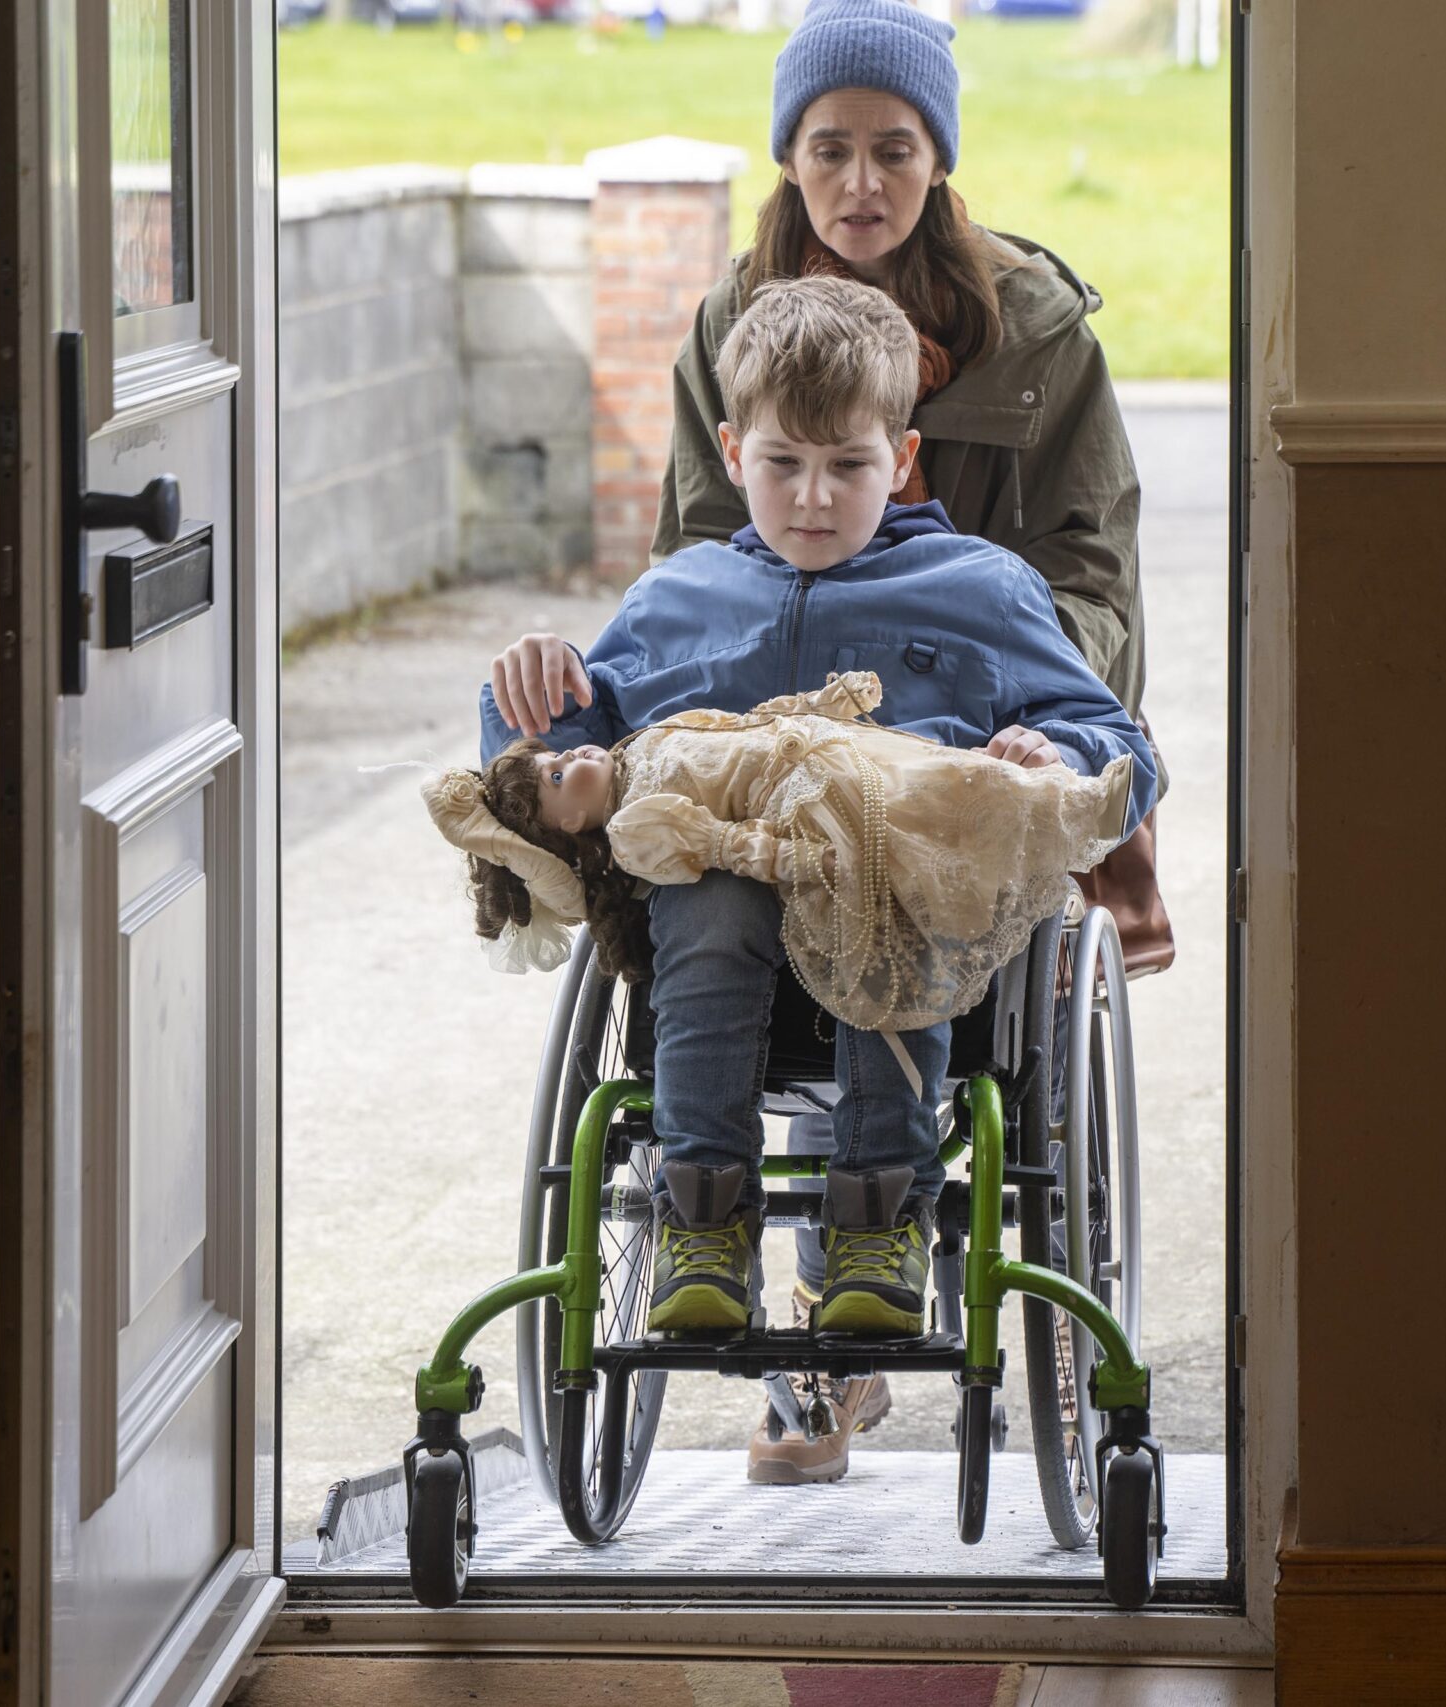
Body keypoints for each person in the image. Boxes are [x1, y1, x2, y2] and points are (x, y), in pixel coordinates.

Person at [649, 0, 1171, 1478]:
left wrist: (1016, 721)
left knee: (917, 904)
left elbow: (1092, 567)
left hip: (979, 708)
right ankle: (792, 1307)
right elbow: (695, 560)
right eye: (829, 149)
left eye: (894, 149)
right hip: (783, 732)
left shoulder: (1035, 330)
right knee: (740, 892)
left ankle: (881, 1303)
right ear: (789, 156)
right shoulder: (730, 325)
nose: (860, 182)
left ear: (939, 157)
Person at [462, 277, 1155, 1369]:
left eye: (849, 466)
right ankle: (702, 1220)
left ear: (903, 457)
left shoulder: (982, 589)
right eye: (782, 463)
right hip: (713, 919)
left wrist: (1054, 753)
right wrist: (530, 691)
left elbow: (1116, 743)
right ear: (732, 453)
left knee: (887, 879)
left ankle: (880, 1224)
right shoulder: (676, 598)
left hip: (907, 908)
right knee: (709, 894)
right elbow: (567, 767)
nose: (813, 497)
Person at [430, 664, 1138, 1118]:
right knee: (915, 824)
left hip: (823, 758)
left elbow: (742, 726)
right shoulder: (638, 826)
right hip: (803, 814)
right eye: (557, 778)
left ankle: (1067, 803)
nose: (571, 753)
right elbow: (721, 842)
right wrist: (792, 857)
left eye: (555, 757)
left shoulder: (637, 751)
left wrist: (820, 704)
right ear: (571, 828)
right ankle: (718, 1198)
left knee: (941, 782)